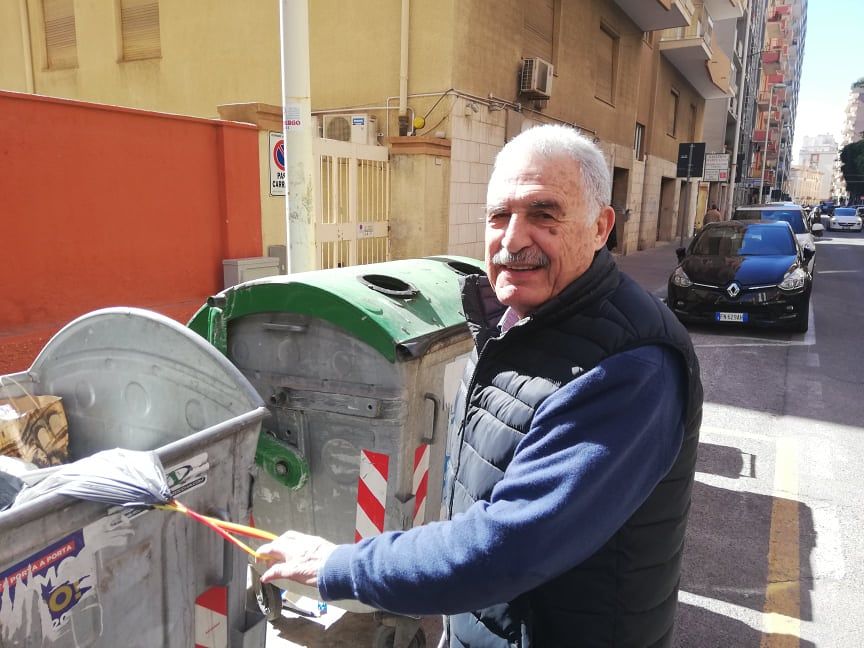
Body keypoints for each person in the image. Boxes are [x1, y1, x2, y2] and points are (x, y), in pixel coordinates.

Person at [257, 124, 703, 647]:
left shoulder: (629, 367)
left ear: (601, 226)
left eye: (543, 214)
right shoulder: (515, 322)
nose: (513, 239)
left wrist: (339, 565)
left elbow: (508, 546)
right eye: (499, 216)